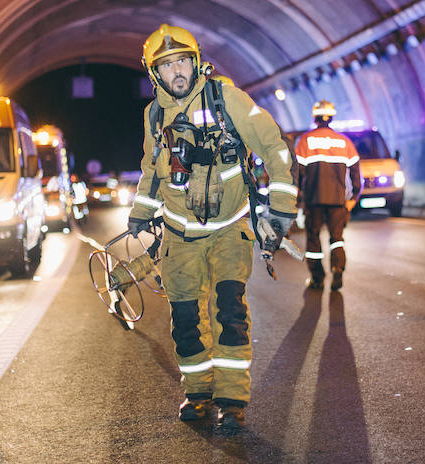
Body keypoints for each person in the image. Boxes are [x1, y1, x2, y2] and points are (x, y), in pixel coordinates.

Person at [127, 23, 298, 432]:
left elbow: (273, 146)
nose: (178, 72)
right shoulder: (154, 115)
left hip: (228, 229)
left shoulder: (228, 99)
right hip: (178, 236)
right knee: (185, 318)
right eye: (167, 66)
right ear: (155, 74)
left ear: (197, 61)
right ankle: (198, 393)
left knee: (230, 311)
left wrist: (281, 205)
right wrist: (139, 212)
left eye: (183, 61)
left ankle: (232, 399)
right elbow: (152, 169)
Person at [294, 100, 362, 291]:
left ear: (315, 117)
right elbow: (357, 173)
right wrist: (353, 198)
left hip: (314, 200)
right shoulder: (344, 142)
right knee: (337, 238)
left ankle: (317, 278)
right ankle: (337, 269)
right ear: (331, 117)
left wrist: (298, 196)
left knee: (314, 238)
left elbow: (297, 172)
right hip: (338, 201)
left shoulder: (306, 141)